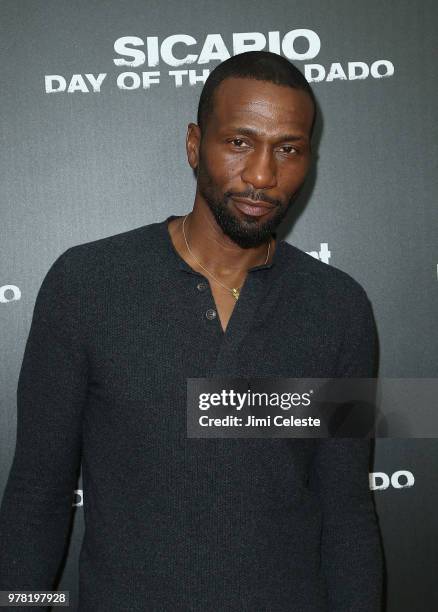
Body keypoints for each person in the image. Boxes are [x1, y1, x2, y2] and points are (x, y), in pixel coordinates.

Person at [0, 50, 383, 611]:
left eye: (289, 149)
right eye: (239, 142)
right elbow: (39, 493)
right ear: (193, 145)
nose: (262, 175)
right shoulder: (88, 284)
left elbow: (346, 508)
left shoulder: (337, 306)